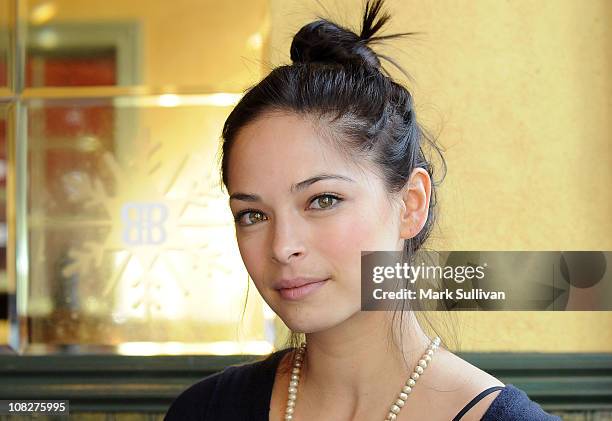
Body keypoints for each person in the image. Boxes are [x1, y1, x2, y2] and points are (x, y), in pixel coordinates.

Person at [165, 0, 561, 419]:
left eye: (323, 200)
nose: (282, 247)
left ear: (411, 204)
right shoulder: (204, 410)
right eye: (253, 215)